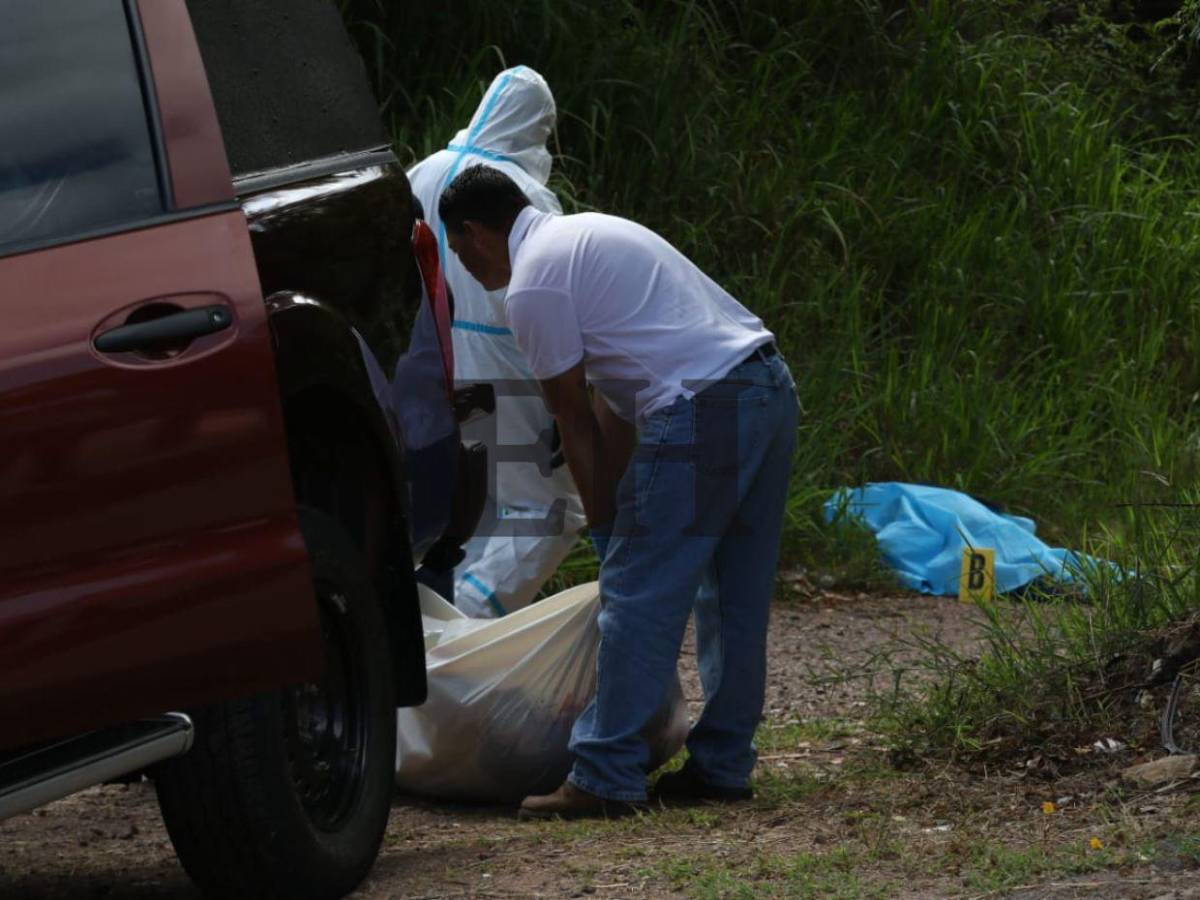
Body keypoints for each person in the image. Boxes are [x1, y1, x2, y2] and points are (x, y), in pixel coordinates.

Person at [438, 165, 800, 818]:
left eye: (458, 252)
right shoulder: (582, 237)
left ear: (474, 234)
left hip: (705, 406)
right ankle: (722, 765)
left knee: (638, 588)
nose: (463, 265)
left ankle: (604, 773)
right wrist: (614, 524)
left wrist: (611, 533)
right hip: (766, 390)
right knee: (735, 595)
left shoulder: (534, 285)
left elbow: (573, 420)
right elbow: (618, 404)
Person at [407, 66, 586, 618]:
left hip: (428, 360)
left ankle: (425, 621)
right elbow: (552, 292)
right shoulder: (523, 192)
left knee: (461, 509)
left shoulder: (421, 173)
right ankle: (465, 627)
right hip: (509, 362)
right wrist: (567, 398)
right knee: (550, 513)